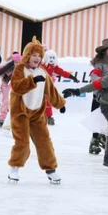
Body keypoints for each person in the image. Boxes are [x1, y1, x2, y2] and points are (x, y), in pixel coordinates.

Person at [7, 37, 66, 184]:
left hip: (37, 113)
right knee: (22, 142)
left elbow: (50, 90)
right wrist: (32, 81)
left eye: (40, 56)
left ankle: (50, 169)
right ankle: (14, 167)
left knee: (44, 141)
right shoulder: (20, 69)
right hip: (21, 112)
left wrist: (60, 104)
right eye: (34, 55)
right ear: (28, 55)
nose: (37, 58)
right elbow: (16, 86)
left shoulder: (43, 71)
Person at [41, 49, 79, 125]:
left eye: (53, 58)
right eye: (50, 58)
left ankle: (49, 117)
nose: (51, 60)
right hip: (39, 85)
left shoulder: (54, 67)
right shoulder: (42, 66)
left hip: (48, 86)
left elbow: (62, 72)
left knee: (48, 101)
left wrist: (72, 77)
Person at [88, 39, 108, 155]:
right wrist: (102, 83)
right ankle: (94, 141)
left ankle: (103, 137)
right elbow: (94, 76)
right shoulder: (100, 63)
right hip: (98, 94)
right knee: (98, 118)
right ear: (104, 51)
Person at [0, 52, 21, 128]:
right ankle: (1, 119)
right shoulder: (8, 68)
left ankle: (14, 120)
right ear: (13, 62)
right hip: (6, 85)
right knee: (5, 102)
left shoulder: (22, 69)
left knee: (15, 103)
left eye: (19, 62)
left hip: (16, 87)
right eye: (16, 62)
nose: (17, 64)